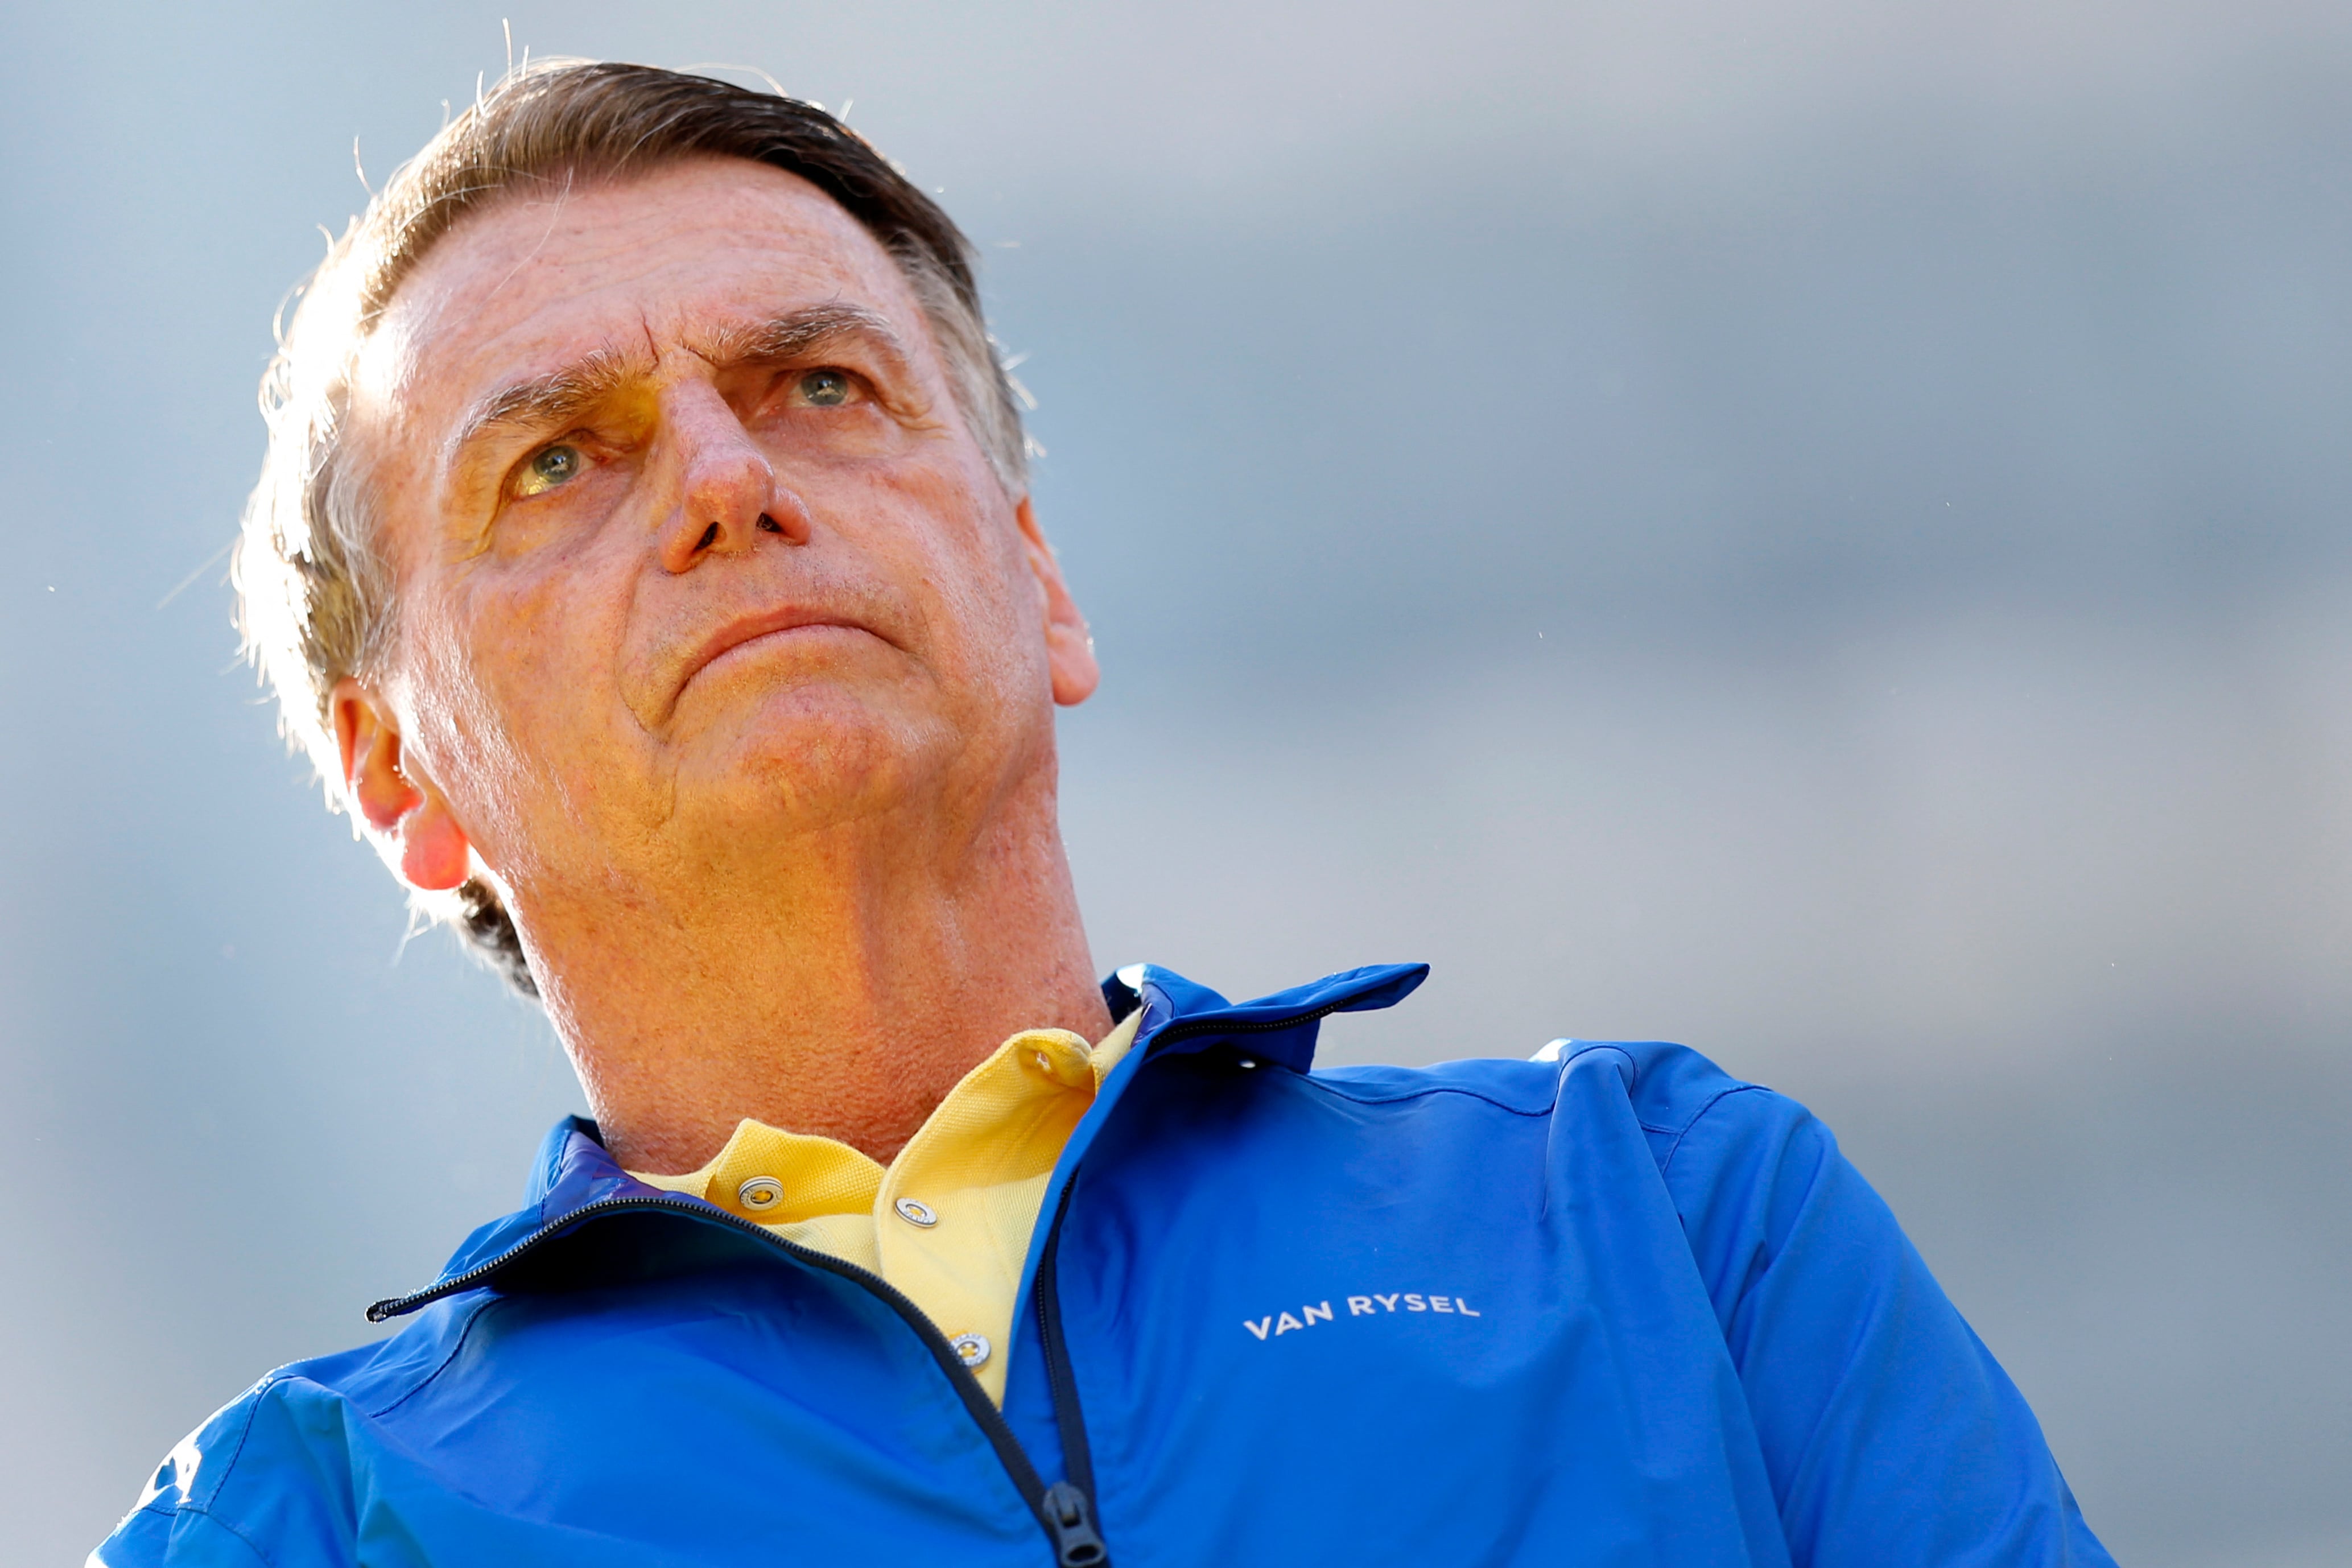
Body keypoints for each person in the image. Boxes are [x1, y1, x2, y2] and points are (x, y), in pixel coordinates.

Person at [95, 58, 2115, 1567]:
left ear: (1038, 573)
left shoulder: (1670, 1222)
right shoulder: (299, 1529)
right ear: (399, 775)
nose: (721, 477)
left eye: (817, 385)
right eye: (555, 460)